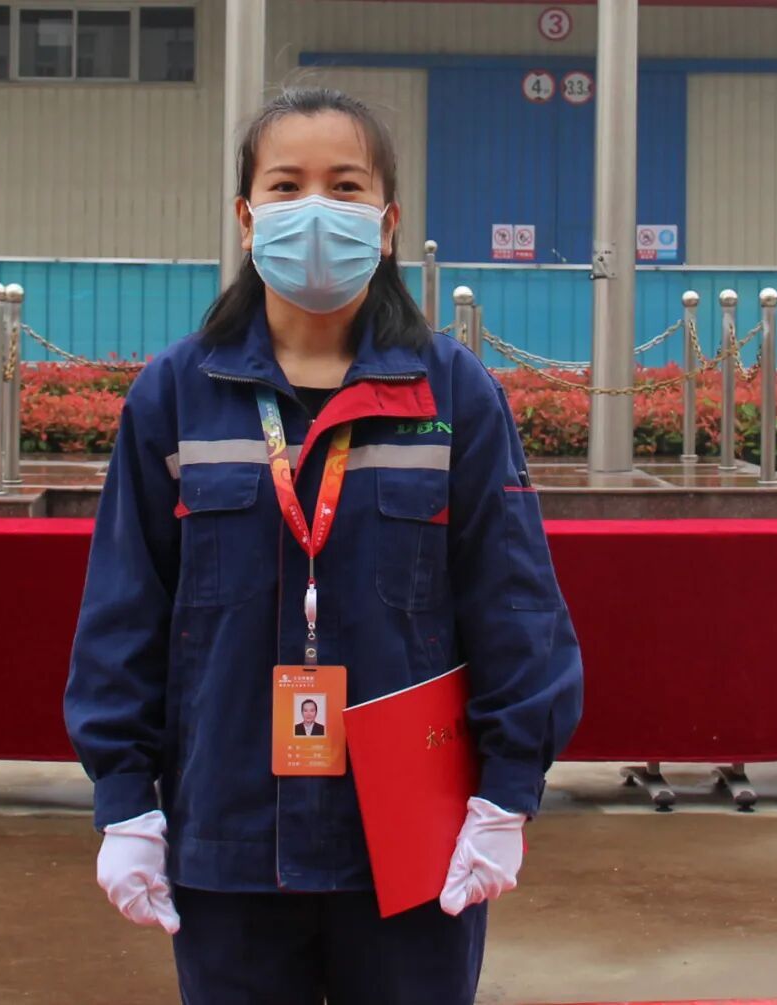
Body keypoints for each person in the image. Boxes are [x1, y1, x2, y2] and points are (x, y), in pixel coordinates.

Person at [63, 87, 583, 1005]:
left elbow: (514, 602)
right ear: (246, 216)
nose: (315, 210)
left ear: (386, 222)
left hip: (412, 842)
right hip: (228, 835)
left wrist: (507, 790)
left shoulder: (452, 395)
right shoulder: (176, 396)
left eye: (345, 187)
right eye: (287, 185)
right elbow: (125, 606)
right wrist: (126, 798)